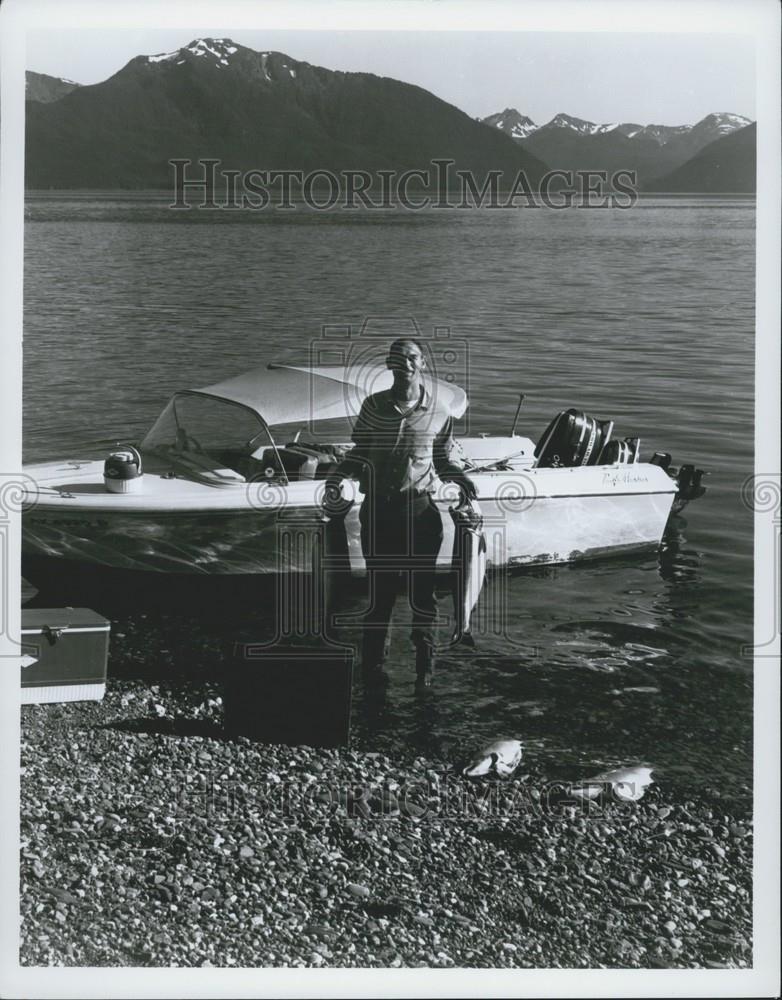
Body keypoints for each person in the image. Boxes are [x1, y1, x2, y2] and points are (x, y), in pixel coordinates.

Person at [326, 338, 477, 687]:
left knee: (423, 598)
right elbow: (359, 452)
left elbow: (442, 459)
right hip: (378, 513)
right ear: (389, 364)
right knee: (379, 597)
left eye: (411, 357)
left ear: (422, 364)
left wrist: (460, 477)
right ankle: (373, 673)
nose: (405, 363)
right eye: (398, 357)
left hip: (419, 514)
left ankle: (425, 674)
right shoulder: (373, 406)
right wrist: (338, 476)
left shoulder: (439, 412)